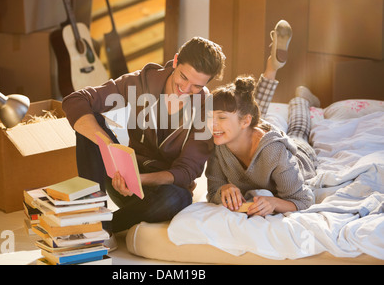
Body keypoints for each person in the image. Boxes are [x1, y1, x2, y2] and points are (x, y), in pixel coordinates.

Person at [62, 37, 226, 242]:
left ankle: (102, 227)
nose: (185, 89)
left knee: (180, 198)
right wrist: (111, 149)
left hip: (159, 192)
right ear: (175, 61)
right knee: (88, 123)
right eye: (183, 77)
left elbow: (186, 172)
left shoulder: (205, 111)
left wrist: (138, 180)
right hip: (119, 177)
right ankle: (93, 212)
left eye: (196, 86)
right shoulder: (141, 82)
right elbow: (75, 100)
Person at [206, 20, 317, 217]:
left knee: (298, 131)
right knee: (256, 109)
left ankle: (303, 99)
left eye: (221, 117)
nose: (212, 125)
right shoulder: (220, 142)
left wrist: (275, 202)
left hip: (297, 153)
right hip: (253, 128)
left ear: (245, 121)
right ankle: (271, 68)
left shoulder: (276, 152)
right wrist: (224, 189)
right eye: (209, 116)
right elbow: (213, 190)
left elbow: (304, 200)